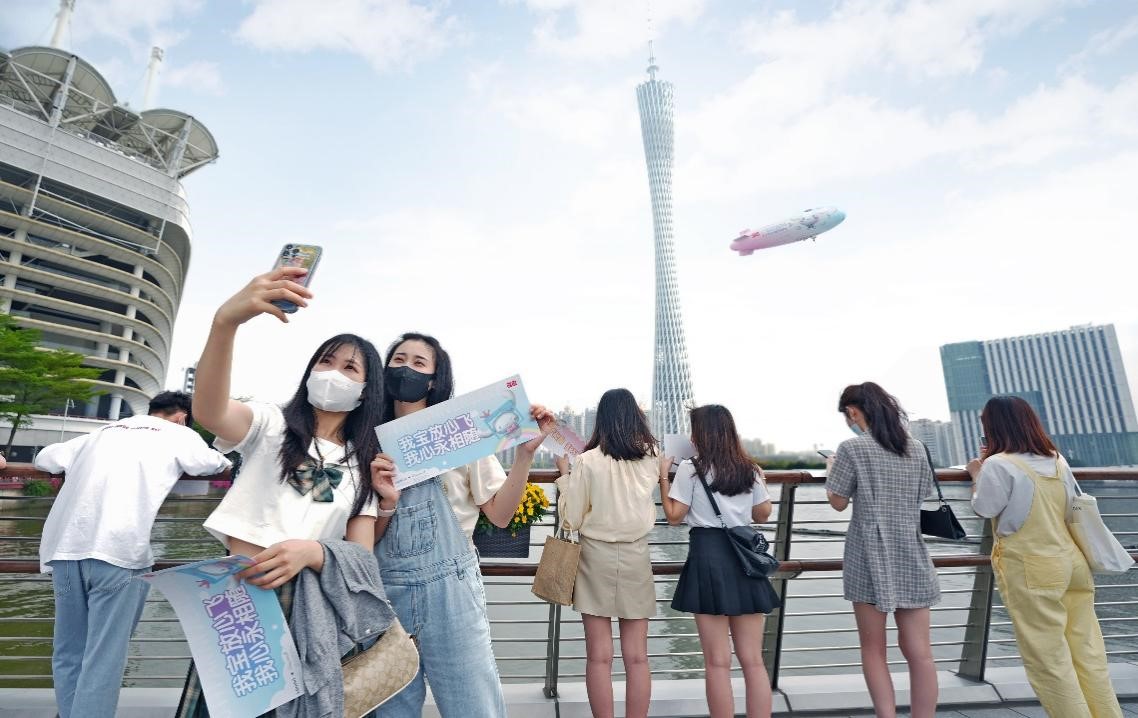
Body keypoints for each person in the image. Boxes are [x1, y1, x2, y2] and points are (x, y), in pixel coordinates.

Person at [176, 266, 390, 716]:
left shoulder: (362, 464)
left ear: (366, 391)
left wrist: (313, 552)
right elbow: (210, 412)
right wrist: (225, 323)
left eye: (349, 367)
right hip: (238, 600)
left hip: (309, 611)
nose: (332, 373)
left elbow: (362, 559)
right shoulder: (270, 424)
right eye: (325, 362)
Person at [368, 332, 554, 718]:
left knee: (474, 707)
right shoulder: (366, 441)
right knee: (388, 710)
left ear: (433, 380)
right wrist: (386, 504)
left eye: (419, 363)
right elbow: (364, 538)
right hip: (384, 593)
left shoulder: (461, 435)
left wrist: (523, 457)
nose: (406, 368)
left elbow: (499, 515)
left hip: (452, 593)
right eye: (398, 360)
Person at [34, 391, 231, 718]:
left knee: (69, 651)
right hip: (119, 551)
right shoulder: (179, 434)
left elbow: (46, 458)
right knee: (104, 659)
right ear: (182, 417)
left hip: (65, 550)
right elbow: (212, 463)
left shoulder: (103, 431)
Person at [967, 396, 1123, 718]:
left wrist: (976, 474)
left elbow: (984, 507)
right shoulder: (1056, 459)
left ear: (993, 428)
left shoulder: (998, 464)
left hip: (1033, 567)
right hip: (1072, 561)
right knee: (1088, 653)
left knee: (1050, 662)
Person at [825, 382, 939, 718]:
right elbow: (924, 492)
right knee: (920, 652)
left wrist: (831, 469)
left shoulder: (851, 449)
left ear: (853, 412)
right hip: (911, 551)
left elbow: (838, 502)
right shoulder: (916, 448)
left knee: (874, 649)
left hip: (868, 554)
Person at [659, 404, 778, 718]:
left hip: (708, 557)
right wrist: (761, 481)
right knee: (753, 660)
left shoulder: (690, 469)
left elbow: (674, 516)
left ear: (702, 435)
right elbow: (763, 514)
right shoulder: (749, 469)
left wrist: (662, 477)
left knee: (717, 662)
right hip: (746, 558)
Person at [554, 388, 659, 718]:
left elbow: (571, 519)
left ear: (601, 420)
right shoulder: (651, 457)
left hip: (594, 558)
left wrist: (564, 477)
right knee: (637, 657)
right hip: (636, 556)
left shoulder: (587, 461)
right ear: (635, 417)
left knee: (599, 657)